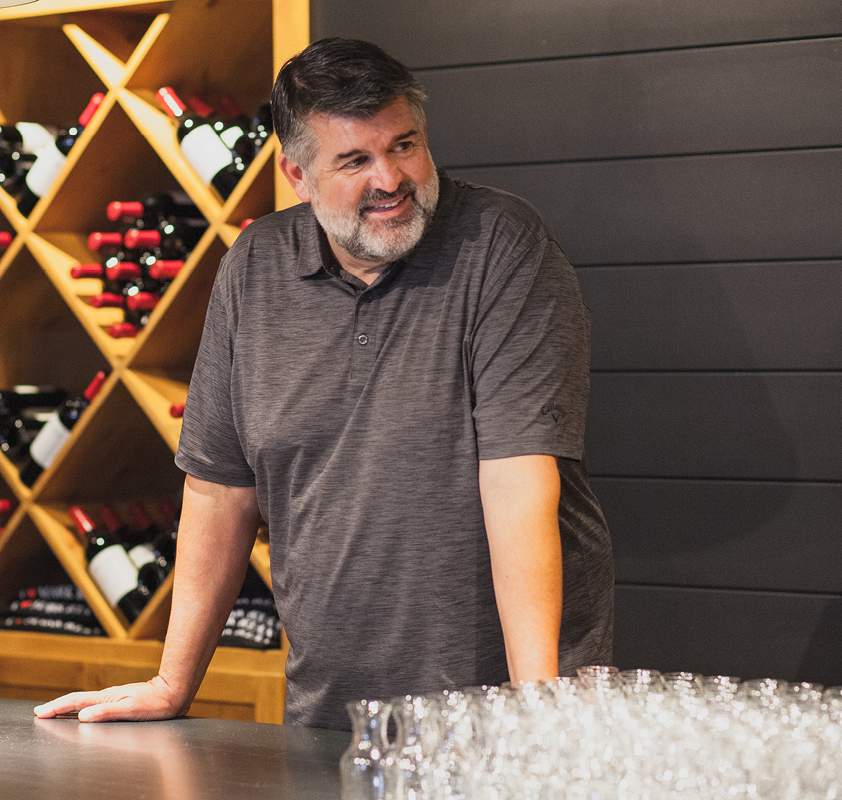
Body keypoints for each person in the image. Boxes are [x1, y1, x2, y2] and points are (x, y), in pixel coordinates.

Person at [35, 37, 613, 731]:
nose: (391, 178)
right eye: (355, 160)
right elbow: (219, 487)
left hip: (499, 704)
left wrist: (535, 710)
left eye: (405, 145)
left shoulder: (500, 245)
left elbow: (519, 477)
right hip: (331, 703)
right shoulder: (255, 266)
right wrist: (171, 682)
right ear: (295, 174)